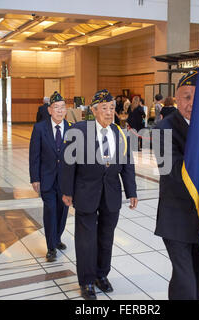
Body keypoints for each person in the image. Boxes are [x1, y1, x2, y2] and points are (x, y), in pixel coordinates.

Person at [61, 89, 138, 300]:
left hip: (111, 195)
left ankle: (101, 275)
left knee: (106, 237)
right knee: (86, 240)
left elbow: (127, 165)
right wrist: (67, 191)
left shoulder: (120, 133)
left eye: (112, 108)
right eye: (104, 108)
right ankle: (86, 281)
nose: (109, 112)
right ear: (94, 111)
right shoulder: (79, 130)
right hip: (86, 192)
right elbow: (68, 164)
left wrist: (131, 191)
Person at [154, 69, 199, 300]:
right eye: (186, 97)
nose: (192, 103)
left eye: (197, 97)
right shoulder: (164, 129)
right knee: (185, 280)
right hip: (176, 218)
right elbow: (173, 172)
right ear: (176, 99)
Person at [29, 91, 71, 262]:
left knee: (63, 212)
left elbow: (75, 157)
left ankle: (57, 237)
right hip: (46, 179)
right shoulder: (40, 128)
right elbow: (34, 155)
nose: (60, 111)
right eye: (56, 108)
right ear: (49, 110)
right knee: (50, 211)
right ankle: (51, 247)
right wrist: (34, 178)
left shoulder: (72, 128)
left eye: (63, 108)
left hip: (65, 181)